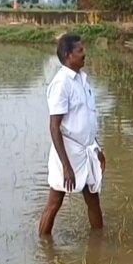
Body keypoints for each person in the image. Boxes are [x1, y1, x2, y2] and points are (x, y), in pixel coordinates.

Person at [38, 33, 106, 236]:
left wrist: (98, 149)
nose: (84, 54)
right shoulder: (61, 84)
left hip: (86, 150)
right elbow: (54, 127)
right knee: (55, 202)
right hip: (67, 153)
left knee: (93, 198)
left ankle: (99, 245)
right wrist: (66, 166)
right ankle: (43, 246)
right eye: (80, 51)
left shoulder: (82, 81)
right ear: (68, 55)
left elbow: (87, 120)